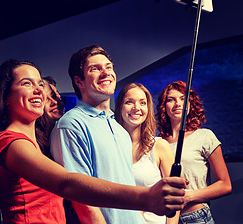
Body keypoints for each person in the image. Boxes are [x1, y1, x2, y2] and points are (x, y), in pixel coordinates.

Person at [0, 59, 186, 224]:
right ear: (6, 96)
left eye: (40, 84)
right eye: (27, 83)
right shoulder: (12, 144)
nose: (38, 90)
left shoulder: (35, 144)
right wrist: (146, 197)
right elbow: (67, 183)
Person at [49, 45, 183, 224]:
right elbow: (81, 200)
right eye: (95, 69)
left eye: (109, 67)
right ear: (79, 81)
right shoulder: (72, 124)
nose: (106, 73)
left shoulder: (118, 129)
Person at [156, 80, 232, 224]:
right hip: (165, 218)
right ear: (163, 106)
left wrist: (188, 196)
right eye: (171, 99)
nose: (177, 103)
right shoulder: (158, 142)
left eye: (183, 99)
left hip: (195, 217)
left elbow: (225, 185)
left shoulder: (204, 136)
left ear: (190, 104)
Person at [115, 83, 178, 224]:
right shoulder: (111, 148)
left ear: (147, 109)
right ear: (119, 107)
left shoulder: (160, 146)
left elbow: (174, 199)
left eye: (142, 103)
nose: (136, 107)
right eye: (129, 102)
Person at [35, 76, 64, 157]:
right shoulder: (35, 141)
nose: (54, 102)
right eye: (45, 100)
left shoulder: (59, 130)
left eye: (54, 96)